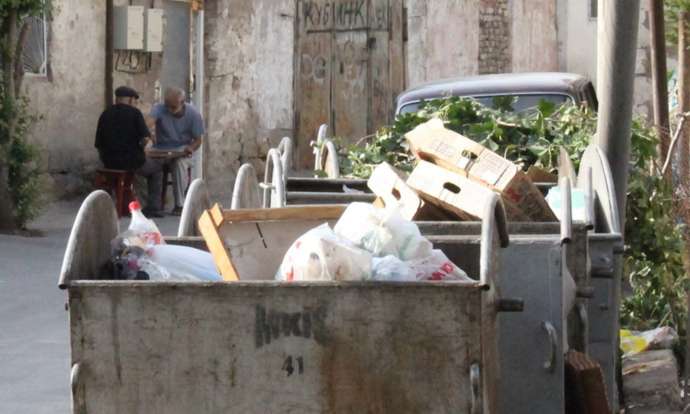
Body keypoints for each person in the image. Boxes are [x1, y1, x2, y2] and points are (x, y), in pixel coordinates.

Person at [94, 86, 164, 217]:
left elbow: (98, 144)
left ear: (117, 99)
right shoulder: (135, 113)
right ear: (131, 100)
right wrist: (141, 148)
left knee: (133, 171)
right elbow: (145, 138)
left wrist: (106, 159)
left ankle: (128, 201)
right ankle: (154, 207)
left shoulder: (105, 114)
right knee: (157, 169)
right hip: (132, 162)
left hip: (109, 162)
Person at [148, 87, 204, 215]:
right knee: (146, 162)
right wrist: (147, 133)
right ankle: (153, 205)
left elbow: (198, 140)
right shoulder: (159, 108)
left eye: (173, 107)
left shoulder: (193, 114)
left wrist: (190, 148)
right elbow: (148, 123)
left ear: (183, 102)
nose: (169, 110)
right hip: (161, 148)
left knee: (179, 163)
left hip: (182, 149)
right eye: (167, 106)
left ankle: (180, 204)